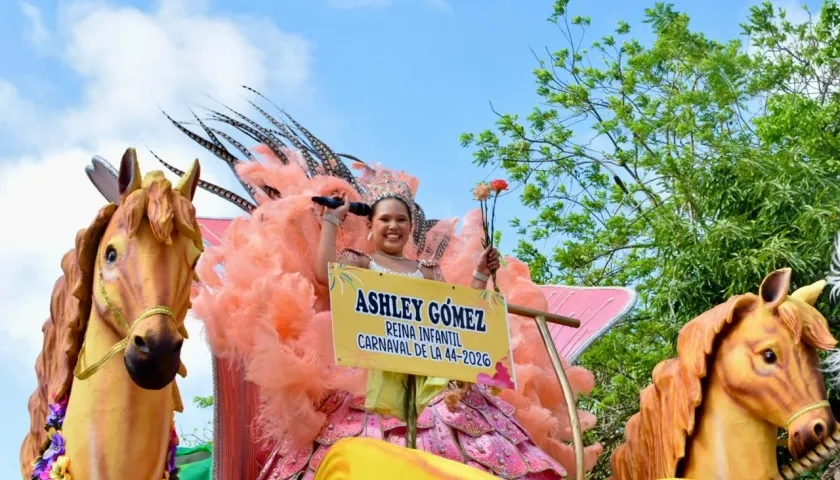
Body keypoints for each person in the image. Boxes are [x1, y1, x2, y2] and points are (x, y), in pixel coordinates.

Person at [255, 172, 569, 479]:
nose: (393, 226)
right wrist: (332, 219)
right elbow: (325, 275)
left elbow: (456, 314)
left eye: (400, 220)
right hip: (374, 374)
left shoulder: (428, 271)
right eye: (384, 220)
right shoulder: (361, 263)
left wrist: (481, 273)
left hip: (431, 374)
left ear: (410, 225)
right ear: (370, 225)